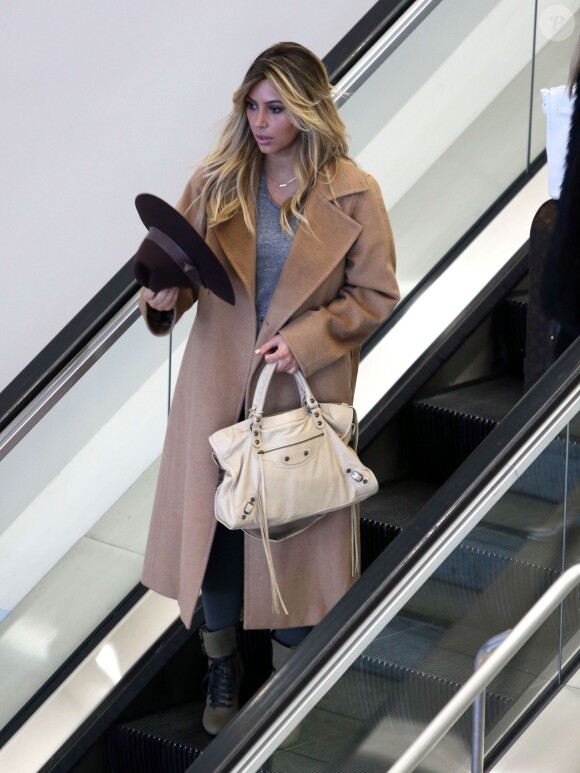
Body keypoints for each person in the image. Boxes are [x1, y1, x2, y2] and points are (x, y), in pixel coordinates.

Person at [139, 41, 400, 736]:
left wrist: (308, 340)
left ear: (308, 110)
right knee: (219, 539)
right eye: (252, 106)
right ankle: (221, 667)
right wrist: (161, 298)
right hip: (217, 390)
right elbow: (183, 276)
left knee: (294, 537)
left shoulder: (354, 191)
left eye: (277, 108)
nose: (260, 122)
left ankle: (288, 683)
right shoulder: (218, 181)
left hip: (297, 396)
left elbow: (375, 294)